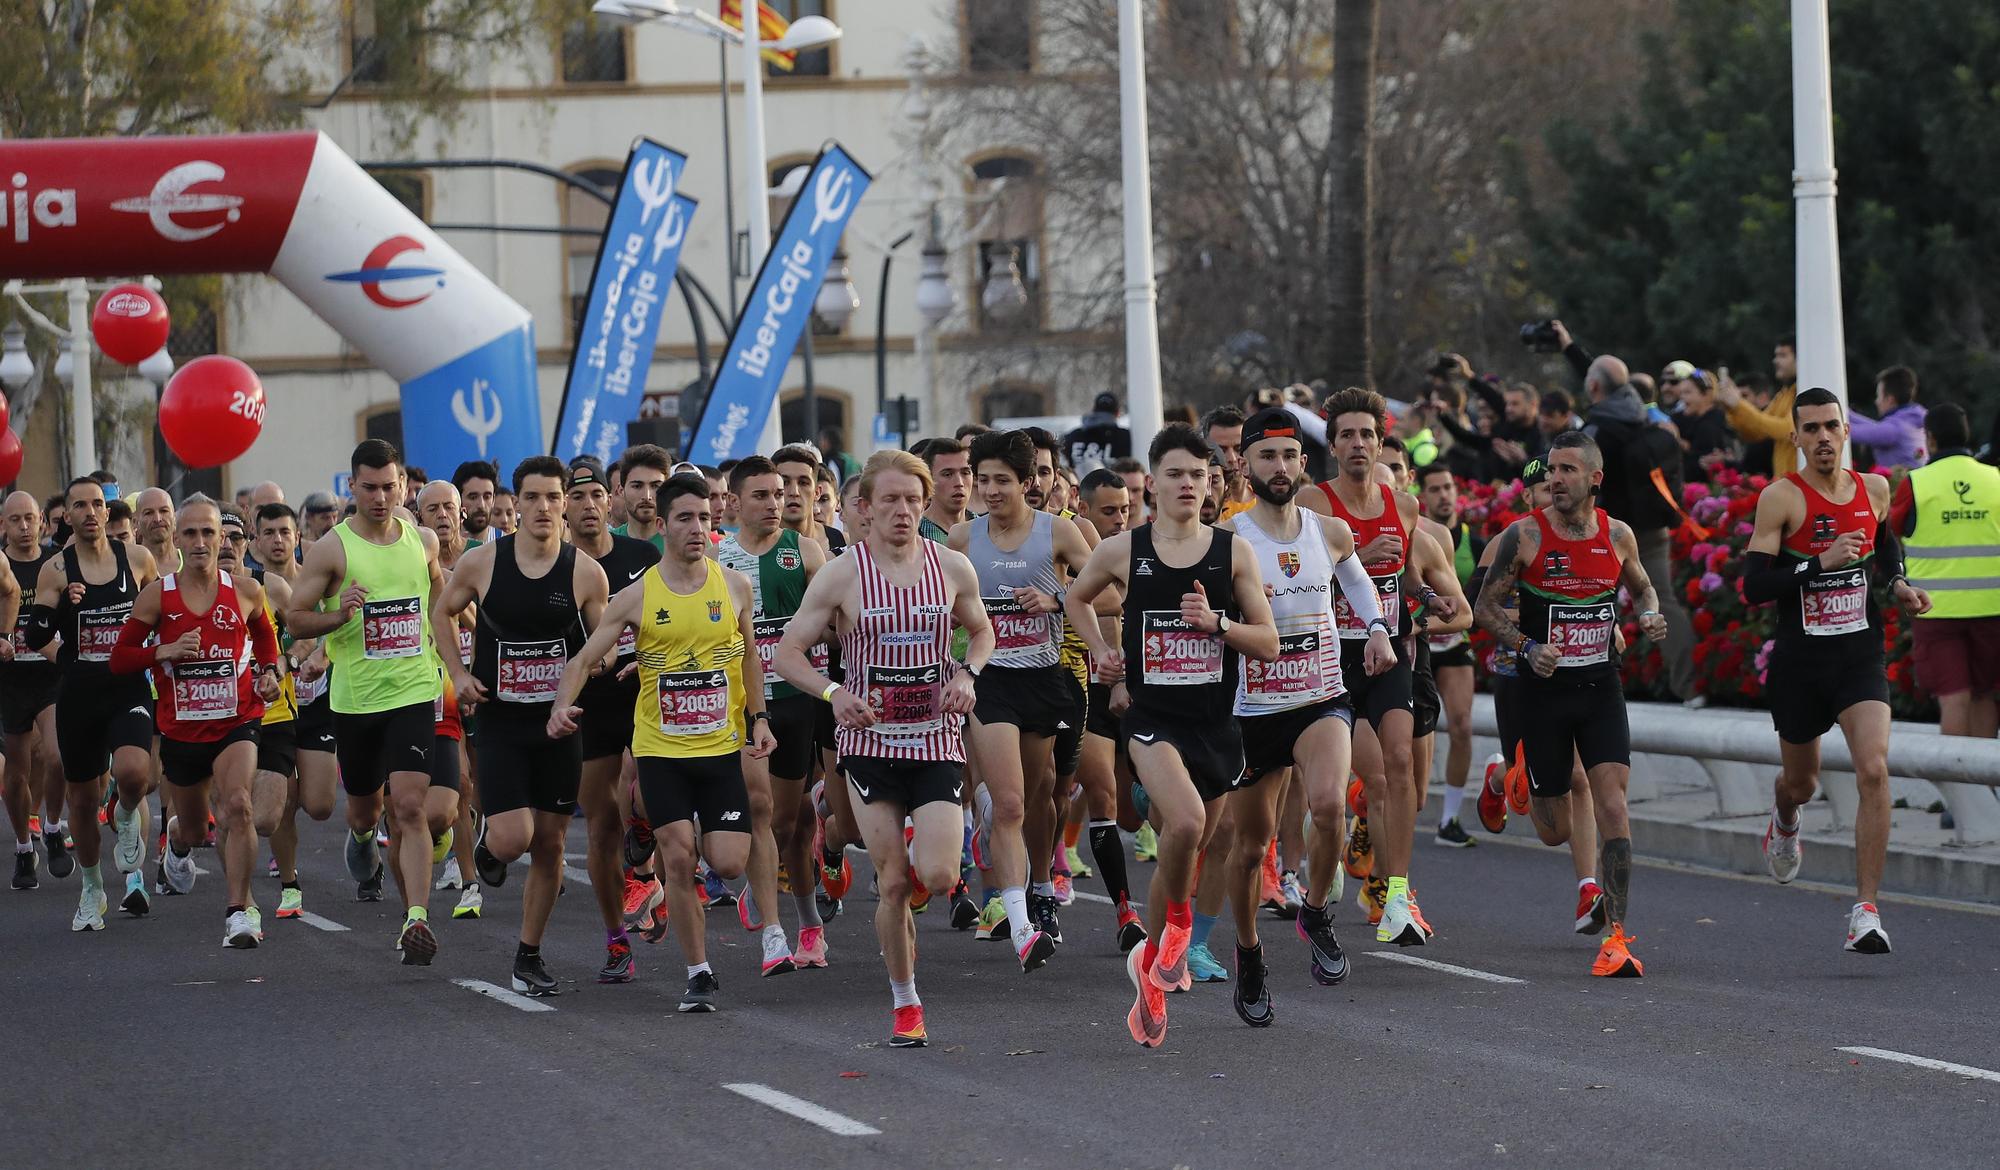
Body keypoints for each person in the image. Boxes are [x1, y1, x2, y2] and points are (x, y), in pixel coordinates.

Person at [1064, 424, 1279, 1048]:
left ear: (1212, 482)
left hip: (1215, 722)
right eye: (1177, 474)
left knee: (1204, 840)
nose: (1189, 484)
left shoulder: (1231, 552)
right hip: (1151, 719)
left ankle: (1151, 978)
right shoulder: (1123, 551)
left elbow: (1266, 641)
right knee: (1182, 826)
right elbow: (1076, 600)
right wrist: (1104, 654)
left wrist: (1217, 624)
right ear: (1152, 484)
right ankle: (1180, 926)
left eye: (1200, 474)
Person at [775, 451, 991, 1046]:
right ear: (865, 509)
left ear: (926, 506)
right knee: (893, 881)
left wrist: (968, 674)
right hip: (867, 742)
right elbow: (788, 653)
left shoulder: (952, 568)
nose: (902, 511)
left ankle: (925, 850)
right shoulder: (842, 574)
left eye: (912, 500)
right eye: (889, 500)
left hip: (935, 738)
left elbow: (982, 631)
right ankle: (906, 1003)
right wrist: (834, 692)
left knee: (941, 875)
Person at [553, 474, 774, 1012]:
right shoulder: (636, 595)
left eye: (704, 517)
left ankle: (647, 826)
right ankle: (699, 972)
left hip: (720, 747)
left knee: (726, 862)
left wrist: (759, 717)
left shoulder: (734, 587)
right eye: (685, 518)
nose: (697, 527)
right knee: (680, 858)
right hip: (660, 749)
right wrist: (562, 705)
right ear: (663, 524)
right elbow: (584, 658)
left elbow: (748, 655)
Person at [1218, 408, 1393, 1021]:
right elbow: (1211, 623)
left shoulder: (1328, 531)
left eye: (1289, 456)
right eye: (1266, 456)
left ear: (1302, 463)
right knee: (1250, 845)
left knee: (1329, 805)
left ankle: (1316, 909)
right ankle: (1248, 952)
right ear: (1245, 463)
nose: (1280, 467)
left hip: (1319, 695)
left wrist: (1374, 628)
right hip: (1253, 706)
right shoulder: (1229, 540)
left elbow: (1357, 578)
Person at [1474, 432, 1670, 977]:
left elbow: (1643, 589)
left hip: (1600, 688)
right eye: (1551, 470)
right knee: (1554, 827)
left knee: (1612, 805)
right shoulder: (1524, 537)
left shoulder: (1620, 535)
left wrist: (1648, 614)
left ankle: (1618, 939)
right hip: (1541, 695)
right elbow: (1483, 608)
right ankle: (1509, 776)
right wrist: (1527, 646)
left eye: (1566, 470)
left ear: (1594, 479)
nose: (1555, 479)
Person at [1745, 388, 1928, 953]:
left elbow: (1885, 543)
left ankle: (1866, 912)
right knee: (1802, 783)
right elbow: (1754, 586)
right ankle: (1785, 819)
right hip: (1802, 661)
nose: (1823, 437)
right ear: (1795, 438)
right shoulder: (1781, 498)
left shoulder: (1873, 488)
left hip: (1858, 654)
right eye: (1811, 429)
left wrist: (1896, 581)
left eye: (1831, 426)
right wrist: (1815, 563)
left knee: (1873, 769)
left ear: (1846, 431)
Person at [438, 456, 607, 995]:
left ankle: (528, 956)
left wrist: (589, 670)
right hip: (502, 720)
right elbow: (442, 613)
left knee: (552, 844)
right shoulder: (483, 562)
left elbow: (599, 647)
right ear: (516, 505)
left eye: (552, 498)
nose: (542, 508)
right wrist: (459, 672)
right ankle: (490, 846)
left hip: (559, 723)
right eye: (531, 498)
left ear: (566, 504)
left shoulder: (584, 572)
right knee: (515, 838)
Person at [286, 440, 450, 963]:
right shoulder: (332, 549)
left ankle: (416, 918)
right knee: (365, 810)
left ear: (403, 485)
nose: (381, 497)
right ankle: (360, 839)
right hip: (356, 700)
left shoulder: (422, 542)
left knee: (409, 806)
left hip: (414, 691)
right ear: (352, 487)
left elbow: (443, 607)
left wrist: (466, 667)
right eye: (370, 487)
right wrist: (339, 616)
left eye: (390, 486)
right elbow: (295, 619)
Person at [109, 496, 284, 946]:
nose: (202, 541)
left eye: (209, 532)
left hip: (236, 720)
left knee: (238, 805)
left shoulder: (246, 590)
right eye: (191, 533)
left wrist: (269, 672)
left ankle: (238, 913)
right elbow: (119, 659)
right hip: (182, 730)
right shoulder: (158, 597)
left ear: (222, 537)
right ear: (178, 538)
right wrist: (160, 651)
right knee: (194, 829)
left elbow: (265, 638)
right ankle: (178, 840)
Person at [949, 430, 1091, 967]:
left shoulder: (1061, 532)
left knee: (1040, 794)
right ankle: (1021, 924)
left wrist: (1057, 599)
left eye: (1001, 481)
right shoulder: (961, 540)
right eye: (981, 480)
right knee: (1009, 802)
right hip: (990, 680)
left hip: (1045, 678)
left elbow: (1114, 591)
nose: (988, 490)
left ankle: (1036, 882)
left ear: (1028, 484)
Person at [1300, 390, 1434, 945]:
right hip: (1333, 655)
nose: (1358, 444)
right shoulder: (1315, 501)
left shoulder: (1403, 505)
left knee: (1399, 763)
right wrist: (1353, 558)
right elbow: (1298, 578)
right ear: (1332, 445)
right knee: (1362, 779)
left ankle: (1398, 893)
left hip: (1389, 647)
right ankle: (1323, 856)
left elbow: (1402, 577)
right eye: (1348, 435)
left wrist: (1427, 595)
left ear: (1381, 444)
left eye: (1367, 435)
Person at [1469, 458, 1609, 933]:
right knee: (1554, 829)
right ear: (1529, 496)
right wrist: (1524, 630)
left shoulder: (1586, 537)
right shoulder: (1509, 542)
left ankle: (1589, 889)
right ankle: (1498, 778)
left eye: (1558, 486)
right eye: (1543, 489)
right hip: (1518, 679)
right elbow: (1477, 608)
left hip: (1574, 677)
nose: (1553, 495)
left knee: (1581, 777)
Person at [22, 478, 162, 928]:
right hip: (80, 694)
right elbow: (36, 635)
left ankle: (122, 813)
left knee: (134, 774)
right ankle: (91, 887)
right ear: (66, 516)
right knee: (81, 801)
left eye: (96, 504)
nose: (88, 512)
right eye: (78, 505)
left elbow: (165, 612)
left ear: (107, 512)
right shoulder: (56, 570)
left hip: (127, 688)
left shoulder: (137, 560)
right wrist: (63, 609)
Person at [715, 455, 831, 974]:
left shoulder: (804, 551)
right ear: (735, 502)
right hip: (742, 706)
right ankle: (776, 931)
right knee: (760, 810)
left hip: (797, 701)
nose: (774, 503)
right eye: (761, 495)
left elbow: (842, 617)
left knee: (790, 824)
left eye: (779, 494)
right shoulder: (717, 558)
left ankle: (806, 920)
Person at [561, 457, 663, 982]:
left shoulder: (642, 555)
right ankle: (615, 938)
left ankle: (651, 875)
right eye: (576, 497)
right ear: (563, 506)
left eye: (597, 495)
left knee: (655, 802)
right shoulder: (555, 567)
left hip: (646, 693)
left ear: (612, 499)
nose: (589, 506)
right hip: (590, 704)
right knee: (601, 826)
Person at [1582, 354, 1698, 707]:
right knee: (1662, 600)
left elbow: (1580, 479)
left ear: (1594, 387)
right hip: (1650, 529)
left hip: (1604, 532)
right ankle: (1692, 687)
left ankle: (1582, 683)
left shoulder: (1599, 427)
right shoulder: (1645, 416)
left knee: (1584, 603)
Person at [1071, 467, 1145, 951]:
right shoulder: (1072, 546)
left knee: (1135, 818)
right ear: (1084, 509)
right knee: (1103, 795)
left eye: (1125, 509)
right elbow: (1085, 600)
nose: (1120, 519)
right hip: (1089, 688)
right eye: (1108, 511)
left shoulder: (1148, 550)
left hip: (1140, 690)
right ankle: (1124, 910)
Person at [1897, 403, 2000, 739]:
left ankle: (1958, 791)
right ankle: (1986, 790)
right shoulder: (1995, 479)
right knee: (1985, 694)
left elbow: (1886, 534)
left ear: (1930, 438)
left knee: (1954, 699)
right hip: (1993, 608)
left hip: (1935, 609)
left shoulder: (1916, 482)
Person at [1416, 463, 1483, 845]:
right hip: (1417, 639)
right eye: (1435, 489)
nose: (1444, 495)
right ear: (1422, 495)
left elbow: (1483, 596)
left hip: (1454, 642)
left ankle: (1450, 820)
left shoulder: (1473, 542)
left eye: (1448, 487)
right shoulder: (1415, 535)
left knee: (1461, 726)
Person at [3, 492, 63, 888]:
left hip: (49, 676)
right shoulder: (1, 565)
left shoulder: (56, 563)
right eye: (16, 520)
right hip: (9, 681)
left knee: (58, 758)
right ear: (3, 525)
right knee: (15, 777)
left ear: (42, 520)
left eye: (31, 518)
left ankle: (55, 827)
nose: (25, 527)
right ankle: (25, 848)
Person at [1717, 336, 1801, 476]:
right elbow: (1756, 433)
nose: (1775, 361)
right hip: (1786, 484)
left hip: (1801, 485)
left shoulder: (1805, 389)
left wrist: (1738, 404)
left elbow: (1786, 430)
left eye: (1783, 355)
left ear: (1800, 358)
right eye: (1776, 355)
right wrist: (1731, 408)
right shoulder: (1784, 394)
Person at [1847, 366, 1927, 471]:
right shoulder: (1911, 419)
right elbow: (1875, 427)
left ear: (1890, 400)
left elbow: (1849, 432)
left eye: (1878, 396)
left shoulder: (1894, 430)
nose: (1876, 402)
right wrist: (1848, 413)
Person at [613, 445, 672, 552]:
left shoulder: (683, 541)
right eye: (637, 486)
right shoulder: (608, 544)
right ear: (621, 490)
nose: (647, 496)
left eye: (655, 486)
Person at [915, 437, 973, 544]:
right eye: (947, 474)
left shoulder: (987, 527)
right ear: (928, 479)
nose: (959, 482)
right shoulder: (916, 533)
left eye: (965, 473)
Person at [1064, 392, 1132, 478]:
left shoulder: (1073, 435)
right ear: (1117, 413)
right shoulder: (1124, 436)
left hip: (1076, 488)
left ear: (1093, 410)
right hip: (1110, 489)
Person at [452, 461, 502, 545]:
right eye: (473, 497)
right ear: (457, 500)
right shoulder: (440, 545)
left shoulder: (509, 546)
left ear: (493, 499)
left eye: (487, 497)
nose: (481, 505)